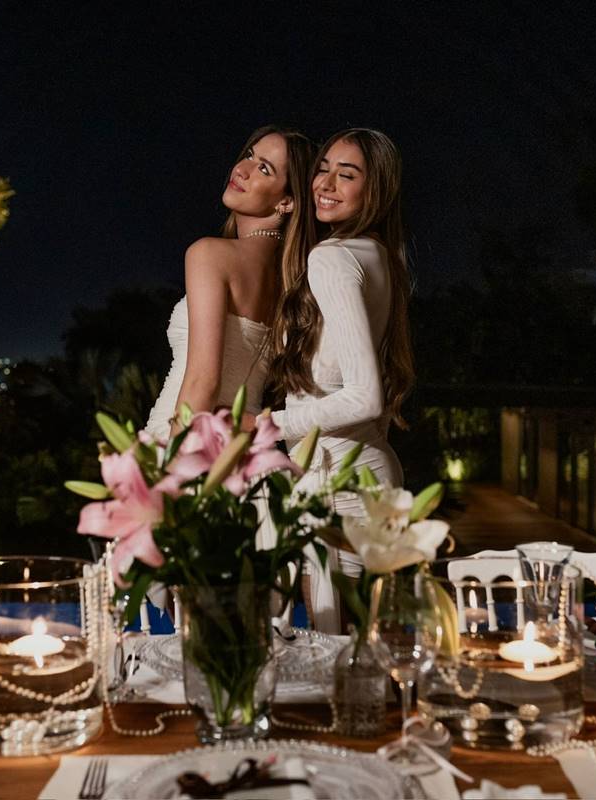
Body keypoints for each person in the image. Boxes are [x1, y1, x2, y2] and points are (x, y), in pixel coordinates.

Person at [266, 128, 415, 631]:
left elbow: (364, 397)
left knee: (338, 660)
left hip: (338, 481)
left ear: (375, 190)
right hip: (368, 475)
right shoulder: (382, 257)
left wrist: (270, 426)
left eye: (346, 174)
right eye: (323, 168)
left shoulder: (332, 258)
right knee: (366, 654)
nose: (325, 183)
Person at [143, 126, 316, 441]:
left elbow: (202, 384)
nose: (242, 169)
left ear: (287, 202)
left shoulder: (209, 254)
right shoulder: (292, 282)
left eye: (264, 168)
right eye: (249, 156)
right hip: (239, 455)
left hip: (183, 441)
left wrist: (172, 472)